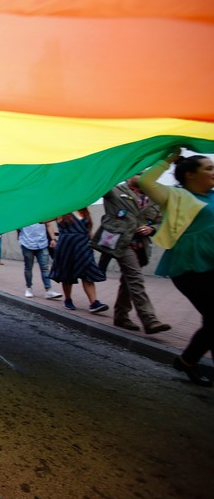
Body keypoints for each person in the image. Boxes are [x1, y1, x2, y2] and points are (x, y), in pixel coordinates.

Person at [138, 151, 214, 387]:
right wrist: (169, 158)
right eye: (208, 168)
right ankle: (187, 361)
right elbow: (145, 182)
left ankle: (187, 361)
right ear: (190, 175)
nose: (213, 172)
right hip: (190, 267)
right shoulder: (176, 195)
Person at [92, 176, 170, 333]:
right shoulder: (115, 190)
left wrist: (152, 229)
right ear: (130, 174)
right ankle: (149, 319)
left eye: (144, 174)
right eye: (138, 173)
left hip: (141, 246)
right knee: (135, 278)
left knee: (128, 281)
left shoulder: (153, 196)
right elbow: (97, 183)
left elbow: (160, 220)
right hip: (121, 244)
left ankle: (121, 316)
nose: (141, 177)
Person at [48, 209, 109, 314]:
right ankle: (68, 299)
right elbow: (43, 220)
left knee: (88, 272)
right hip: (67, 246)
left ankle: (94, 303)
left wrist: (93, 243)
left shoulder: (84, 210)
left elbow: (89, 230)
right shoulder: (61, 210)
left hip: (84, 245)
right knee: (67, 274)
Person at [17, 222, 63, 299]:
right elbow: (17, 227)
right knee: (28, 268)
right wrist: (20, 237)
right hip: (27, 243)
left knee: (45, 267)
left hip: (42, 243)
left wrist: (53, 239)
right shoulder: (23, 214)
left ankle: (48, 290)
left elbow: (48, 224)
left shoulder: (42, 213)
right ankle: (29, 288)